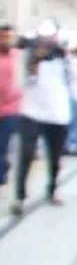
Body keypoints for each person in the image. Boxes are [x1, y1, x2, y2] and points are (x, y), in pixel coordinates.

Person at [11, 35, 73, 214]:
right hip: (32, 112)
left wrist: (65, 56)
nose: (44, 50)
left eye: (47, 47)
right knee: (26, 155)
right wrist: (34, 63)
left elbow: (73, 81)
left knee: (55, 156)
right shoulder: (25, 59)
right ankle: (20, 197)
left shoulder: (62, 61)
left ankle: (52, 190)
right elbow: (20, 83)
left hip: (57, 114)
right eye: (41, 46)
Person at [0, 24, 21, 191]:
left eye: (8, 37)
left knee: (3, 144)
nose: (5, 40)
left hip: (10, 109)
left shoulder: (18, 57)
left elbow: (21, 83)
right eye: (2, 37)